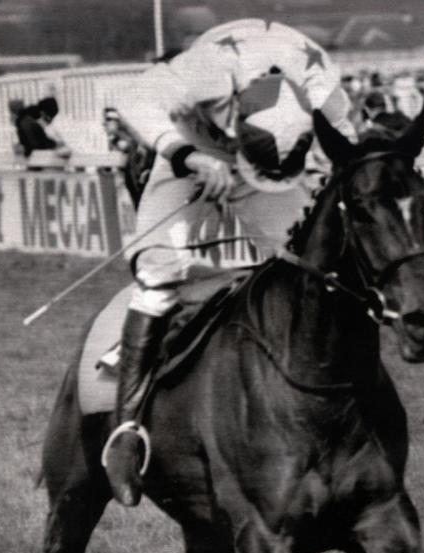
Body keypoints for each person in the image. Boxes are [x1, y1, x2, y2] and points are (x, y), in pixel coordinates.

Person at [103, 18, 355, 506]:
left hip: (266, 160)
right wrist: (185, 157)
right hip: (194, 147)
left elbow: (350, 151)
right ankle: (127, 431)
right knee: (160, 271)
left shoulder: (321, 82)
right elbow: (133, 99)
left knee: (304, 268)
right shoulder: (210, 69)